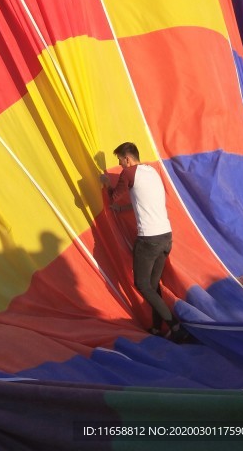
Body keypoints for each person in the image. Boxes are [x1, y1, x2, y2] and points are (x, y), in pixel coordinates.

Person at [100, 142, 184, 340]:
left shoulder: (128, 174)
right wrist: (124, 210)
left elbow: (113, 197)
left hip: (149, 240)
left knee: (142, 284)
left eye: (120, 160)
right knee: (153, 285)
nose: (120, 165)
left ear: (127, 159)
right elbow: (146, 202)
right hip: (166, 237)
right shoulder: (152, 171)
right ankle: (157, 328)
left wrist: (105, 183)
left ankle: (176, 327)